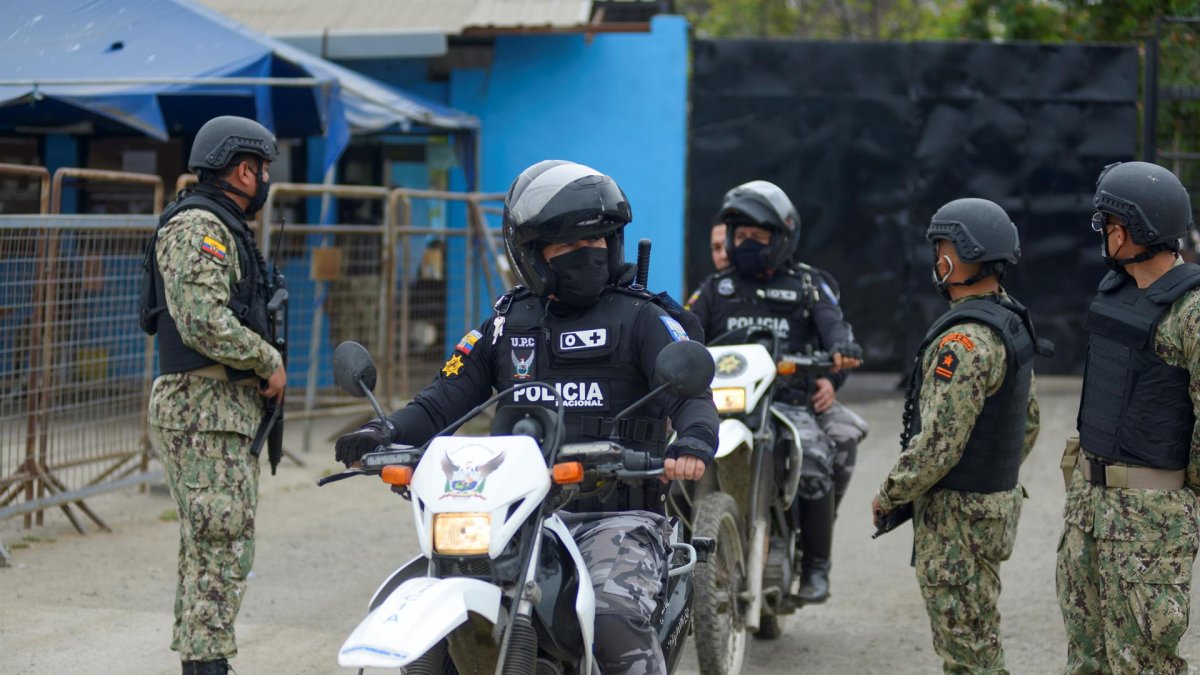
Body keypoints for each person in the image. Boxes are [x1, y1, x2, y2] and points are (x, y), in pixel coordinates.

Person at [335, 160, 719, 674]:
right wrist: (382, 430)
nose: (588, 255)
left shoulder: (644, 317)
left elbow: (692, 394)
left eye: (598, 241)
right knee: (432, 605)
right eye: (565, 246)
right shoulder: (503, 324)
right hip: (513, 518)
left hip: (615, 518)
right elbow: (442, 399)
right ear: (531, 256)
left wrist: (692, 441)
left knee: (611, 615)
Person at [872, 198, 1047, 674]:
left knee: (969, 655)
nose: (937, 258)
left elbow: (938, 445)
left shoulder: (963, 341)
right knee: (975, 635)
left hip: (957, 521)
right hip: (992, 510)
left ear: (958, 257)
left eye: (942, 247)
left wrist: (891, 492)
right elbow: (1027, 421)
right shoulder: (1011, 322)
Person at [142, 116, 286, 675]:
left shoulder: (219, 225)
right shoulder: (198, 226)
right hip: (204, 409)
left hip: (217, 410)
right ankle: (208, 666)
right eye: (264, 169)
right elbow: (201, 320)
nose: (267, 181)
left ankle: (203, 662)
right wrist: (267, 359)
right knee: (219, 548)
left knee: (212, 549)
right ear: (243, 170)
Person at [686, 180, 867, 604]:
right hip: (724, 404)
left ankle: (815, 564)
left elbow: (834, 328)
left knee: (816, 458)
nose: (747, 243)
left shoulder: (809, 285)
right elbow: (686, 332)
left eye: (759, 236)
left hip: (787, 403)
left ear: (783, 236)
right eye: (741, 236)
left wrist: (838, 358)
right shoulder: (716, 288)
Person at [1057, 161, 1200, 674]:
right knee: (1086, 660)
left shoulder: (1192, 310)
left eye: (1107, 224)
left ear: (1131, 229)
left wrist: (1180, 498)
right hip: (1089, 507)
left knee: (1143, 663)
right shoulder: (1115, 291)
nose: (1103, 235)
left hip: (1150, 521)